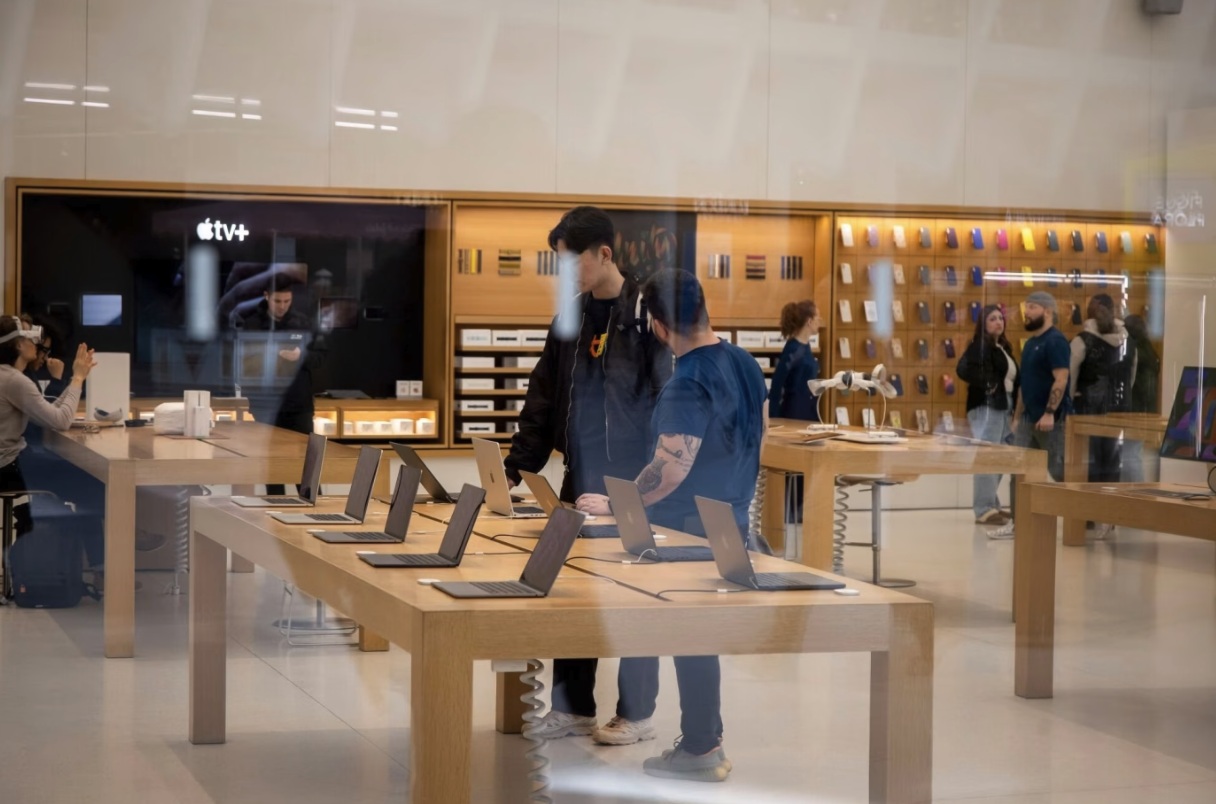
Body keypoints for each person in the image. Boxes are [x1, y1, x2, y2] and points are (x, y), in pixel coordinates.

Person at [576, 268, 768, 782]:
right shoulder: (745, 363)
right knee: (696, 638)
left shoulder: (687, 381)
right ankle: (702, 741)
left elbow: (669, 469)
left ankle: (702, 747)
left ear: (658, 327)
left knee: (690, 637)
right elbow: (760, 433)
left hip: (686, 530)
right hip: (729, 520)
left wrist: (616, 505)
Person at [504, 206, 673, 746]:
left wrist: (655, 480)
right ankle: (573, 707)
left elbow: (665, 398)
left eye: (572, 262)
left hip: (633, 479)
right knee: (572, 592)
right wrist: (516, 469)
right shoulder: (570, 318)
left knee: (636, 593)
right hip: (580, 475)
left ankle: (637, 713)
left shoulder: (646, 314)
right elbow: (542, 395)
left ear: (604, 253)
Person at [0, 317, 97, 538]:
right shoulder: (15, 381)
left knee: (87, 486)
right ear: (18, 344)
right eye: (30, 335)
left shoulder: (8, 377)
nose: (37, 341)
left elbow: (50, 413)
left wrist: (74, 380)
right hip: (10, 469)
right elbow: (61, 421)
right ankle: (116, 546)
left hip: (11, 464)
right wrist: (78, 378)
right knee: (95, 485)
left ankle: (100, 554)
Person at [237, 273, 326, 495]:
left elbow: (321, 356)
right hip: (266, 406)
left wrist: (301, 356)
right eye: (278, 301)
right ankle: (275, 510)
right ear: (266, 296)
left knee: (306, 464)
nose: (282, 306)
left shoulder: (302, 322)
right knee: (273, 465)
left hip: (299, 405)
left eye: (287, 301)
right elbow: (241, 362)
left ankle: (315, 509)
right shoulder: (251, 324)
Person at [993, 292, 1071, 540]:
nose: (1027, 312)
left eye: (1033, 307)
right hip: (1028, 419)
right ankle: (1018, 522)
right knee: (1019, 470)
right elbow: (1024, 385)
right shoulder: (1030, 344)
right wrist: (1016, 417)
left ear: (1048, 311)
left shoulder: (1056, 341)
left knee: (1059, 469)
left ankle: (1088, 517)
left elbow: (1061, 378)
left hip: (1051, 420)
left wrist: (1049, 412)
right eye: (1026, 307)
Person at [957, 305, 1020, 525]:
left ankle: (991, 504)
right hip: (987, 406)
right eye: (992, 319)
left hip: (1004, 405)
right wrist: (988, 383)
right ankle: (983, 509)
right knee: (987, 455)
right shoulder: (980, 346)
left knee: (999, 457)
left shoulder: (1002, 347)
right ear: (983, 324)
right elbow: (963, 369)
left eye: (1000, 318)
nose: (998, 322)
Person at [768, 300, 822, 523]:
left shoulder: (806, 347)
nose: (820, 321)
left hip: (808, 411)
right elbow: (777, 384)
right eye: (817, 318)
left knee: (805, 463)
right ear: (809, 321)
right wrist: (772, 419)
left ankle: (800, 509)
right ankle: (790, 511)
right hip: (794, 412)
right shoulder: (793, 348)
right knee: (793, 462)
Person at [1122, 314, 1160, 482]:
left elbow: (1131, 382)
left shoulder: (1134, 351)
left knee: (1130, 454)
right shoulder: (1151, 351)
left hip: (1135, 409)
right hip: (1147, 408)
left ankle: (1135, 490)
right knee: (1134, 453)